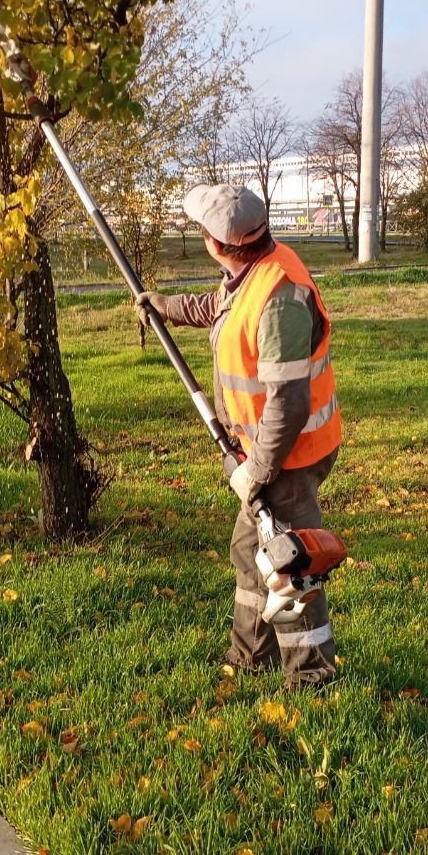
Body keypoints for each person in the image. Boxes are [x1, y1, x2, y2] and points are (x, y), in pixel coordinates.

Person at [135, 184, 342, 691]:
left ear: (215, 242)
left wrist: (258, 470)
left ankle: (312, 678)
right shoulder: (252, 271)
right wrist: (166, 305)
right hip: (266, 449)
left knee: (290, 569)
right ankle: (251, 655)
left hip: (288, 455)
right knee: (252, 552)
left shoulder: (278, 302)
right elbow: (220, 308)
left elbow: (288, 402)